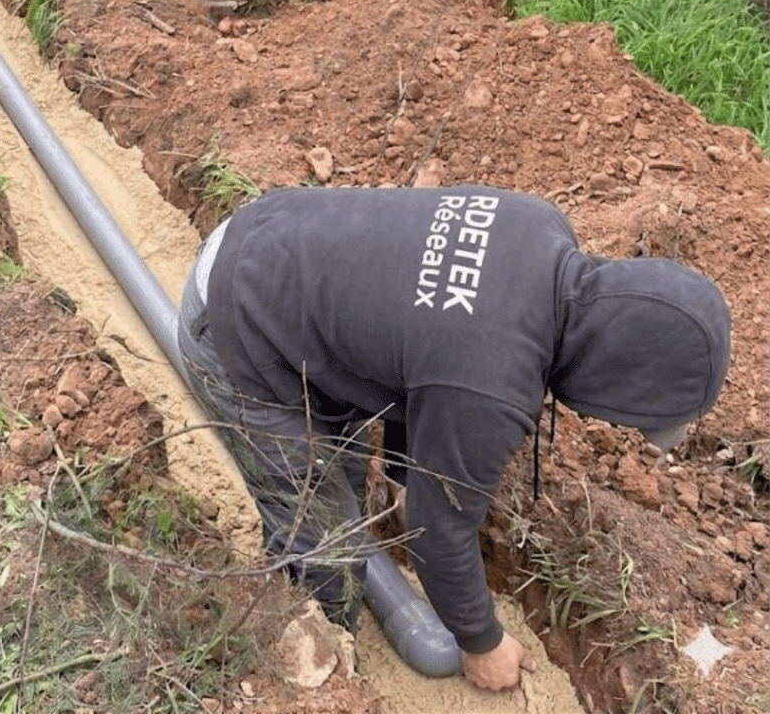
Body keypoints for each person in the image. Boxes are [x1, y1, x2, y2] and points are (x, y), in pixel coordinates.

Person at [176, 185, 731, 692]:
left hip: (274, 239)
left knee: (343, 480)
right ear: (616, 371)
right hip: (238, 327)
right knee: (324, 551)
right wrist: (482, 642)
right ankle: (311, 670)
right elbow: (436, 532)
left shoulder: (541, 228)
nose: (617, 425)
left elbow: (422, 337)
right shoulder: (493, 381)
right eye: (630, 414)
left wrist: (399, 471)